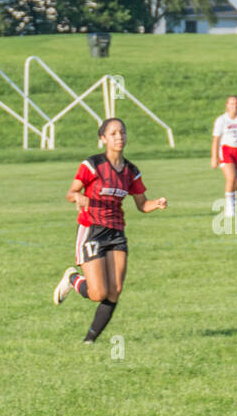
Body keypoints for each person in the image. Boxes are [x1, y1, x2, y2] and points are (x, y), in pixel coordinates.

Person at [51, 118, 167, 344]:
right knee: (97, 293)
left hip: (116, 233)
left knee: (115, 290)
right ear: (103, 139)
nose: (119, 137)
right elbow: (71, 192)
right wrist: (78, 196)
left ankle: (89, 342)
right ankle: (73, 278)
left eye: (122, 132)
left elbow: (142, 205)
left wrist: (157, 203)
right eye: (113, 133)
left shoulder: (131, 171)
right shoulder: (93, 164)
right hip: (92, 229)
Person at [211, 95, 237, 217]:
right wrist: (214, 157)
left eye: (236, 103)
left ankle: (233, 202)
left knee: (236, 181)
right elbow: (216, 139)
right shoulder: (221, 120)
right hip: (226, 150)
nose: (234, 105)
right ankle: (229, 207)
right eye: (231, 103)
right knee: (231, 177)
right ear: (227, 105)